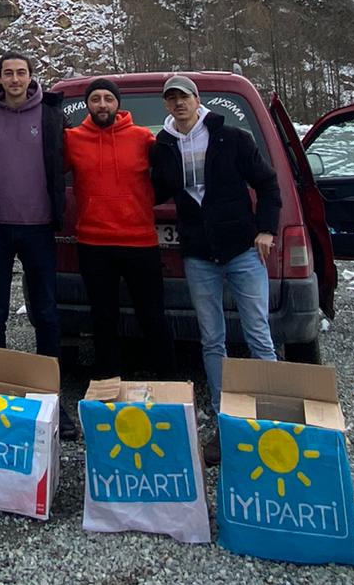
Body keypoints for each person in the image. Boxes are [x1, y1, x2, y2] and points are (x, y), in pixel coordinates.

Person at [151, 73, 280, 462]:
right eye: (171, 99)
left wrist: (266, 231)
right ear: (167, 105)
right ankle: (226, 425)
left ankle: (268, 420)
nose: (179, 104)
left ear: (196, 99)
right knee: (212, 340)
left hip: (242, 251)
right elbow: (152, 188)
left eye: (184, 97)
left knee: (259, 335)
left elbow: (269, 184)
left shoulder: (233, 138)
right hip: (199, 257)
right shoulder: (163, 146)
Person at [0, 52, 76, 438]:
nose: (14, 79)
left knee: (46, 312)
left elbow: (78, 155)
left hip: (39, 227)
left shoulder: (52, 115)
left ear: (31, 77)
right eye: (8, 73)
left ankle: (52, 397)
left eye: (21, 72)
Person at [64, 77, 177, 382]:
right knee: (103, 317)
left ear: (118, 103)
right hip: (93, 243)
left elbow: (171, 171)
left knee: (152, 315)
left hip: (140, 241)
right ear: (88, 104)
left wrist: (152, 198)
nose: (102, 104)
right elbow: (45, 170)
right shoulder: (72, 139)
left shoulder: (142, 138)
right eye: (96, 99)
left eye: (108, 99)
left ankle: (168, 381)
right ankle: (107, 381)